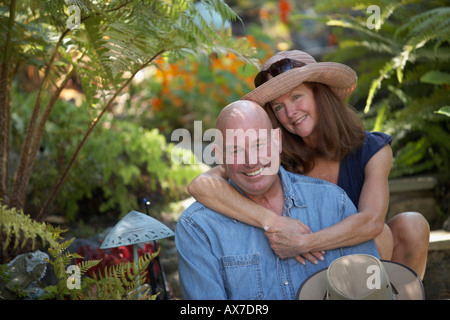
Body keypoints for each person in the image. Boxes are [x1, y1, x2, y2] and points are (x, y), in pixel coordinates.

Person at [188, 50, 429, 279]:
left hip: (350, 257)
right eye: (279, 107)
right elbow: (201, 186)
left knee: (408, 226)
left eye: (296, 96)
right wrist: (271, 221)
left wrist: (306, 242)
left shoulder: (372, 149)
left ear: (319, 93)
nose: (290, 112)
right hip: (299, 264)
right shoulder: (272, 153)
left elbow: (371, 222)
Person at [175, 100, 380, 300]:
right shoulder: (198, 228)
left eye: (259, 144)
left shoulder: (334, 202)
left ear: (277, 141)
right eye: (235, 150)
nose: (251, 160)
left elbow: (371, 292)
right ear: (219, 156)